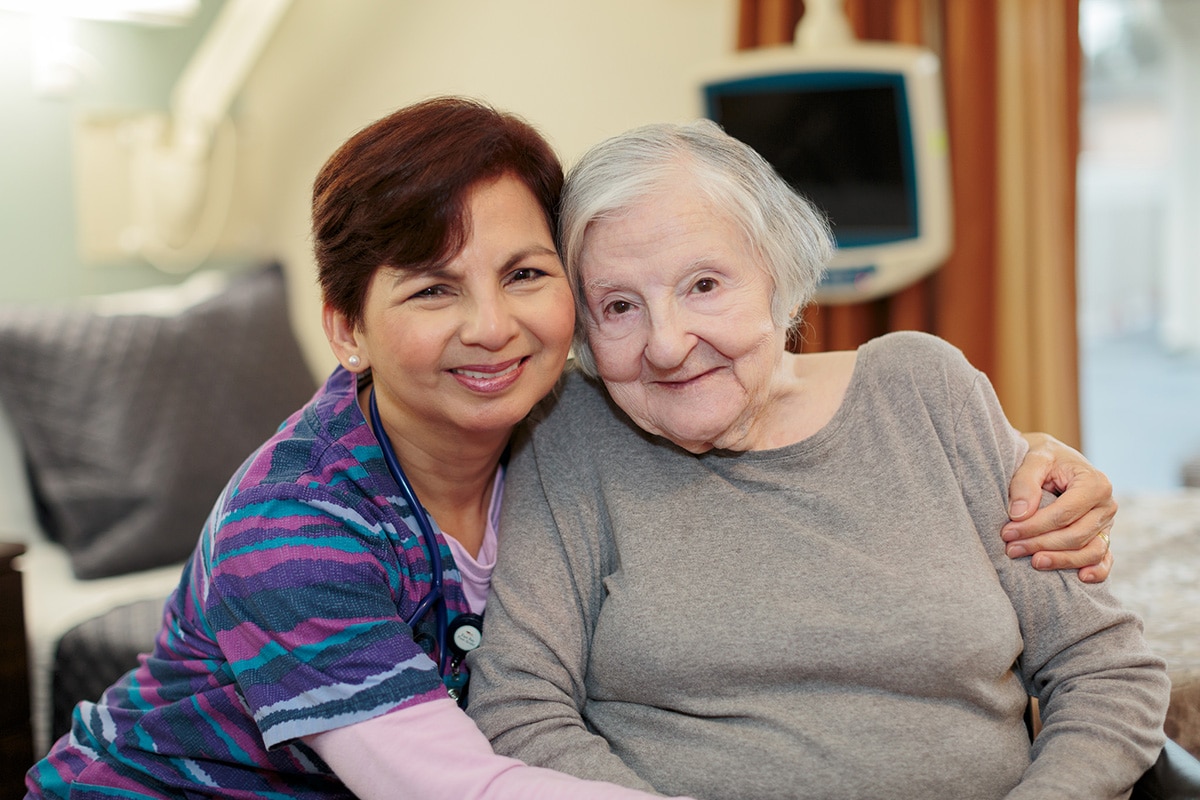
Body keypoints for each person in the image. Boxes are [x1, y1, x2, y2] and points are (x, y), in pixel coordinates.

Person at [24, 97, 1116, 799]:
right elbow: (467, 774)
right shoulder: (303, 531)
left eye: (525, 274)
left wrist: (1024, 451)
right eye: (432, 289)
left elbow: (1089, 651)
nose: (493, 327)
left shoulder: (578, 402)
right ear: (347, 324)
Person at [465, 119, 1170, 799]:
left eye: (704, 286)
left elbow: (1104, 671)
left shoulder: (924, 391)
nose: (668, 343)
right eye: (619, 306)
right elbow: (520, 709)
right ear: (582, 326)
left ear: (778, 272)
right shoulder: (569, 432)